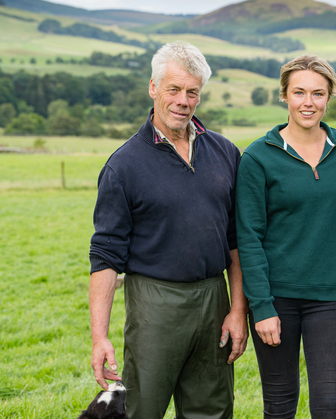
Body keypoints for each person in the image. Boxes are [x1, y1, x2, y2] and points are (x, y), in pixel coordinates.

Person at [88, 41, 248, 419]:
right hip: (154, 303)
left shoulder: (225, 152)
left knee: (213, 410)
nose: (183, 100)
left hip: (214, 300)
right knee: (143, 410)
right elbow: (106, 256)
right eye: (173, 89)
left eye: (192, 91)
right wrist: (100, 336)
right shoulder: (123, 166)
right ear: (153, 88)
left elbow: (236, 240)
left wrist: (238, 308)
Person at [235, 55, 336, 418]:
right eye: (299, 92)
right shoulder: (258, 158)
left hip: (331, 298)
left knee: (328, 406)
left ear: (329, 97)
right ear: (285, 96)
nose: (309, 102)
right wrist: (261, 307)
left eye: (318, 93)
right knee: (279, 406)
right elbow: (249, 236)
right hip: (277, 299)